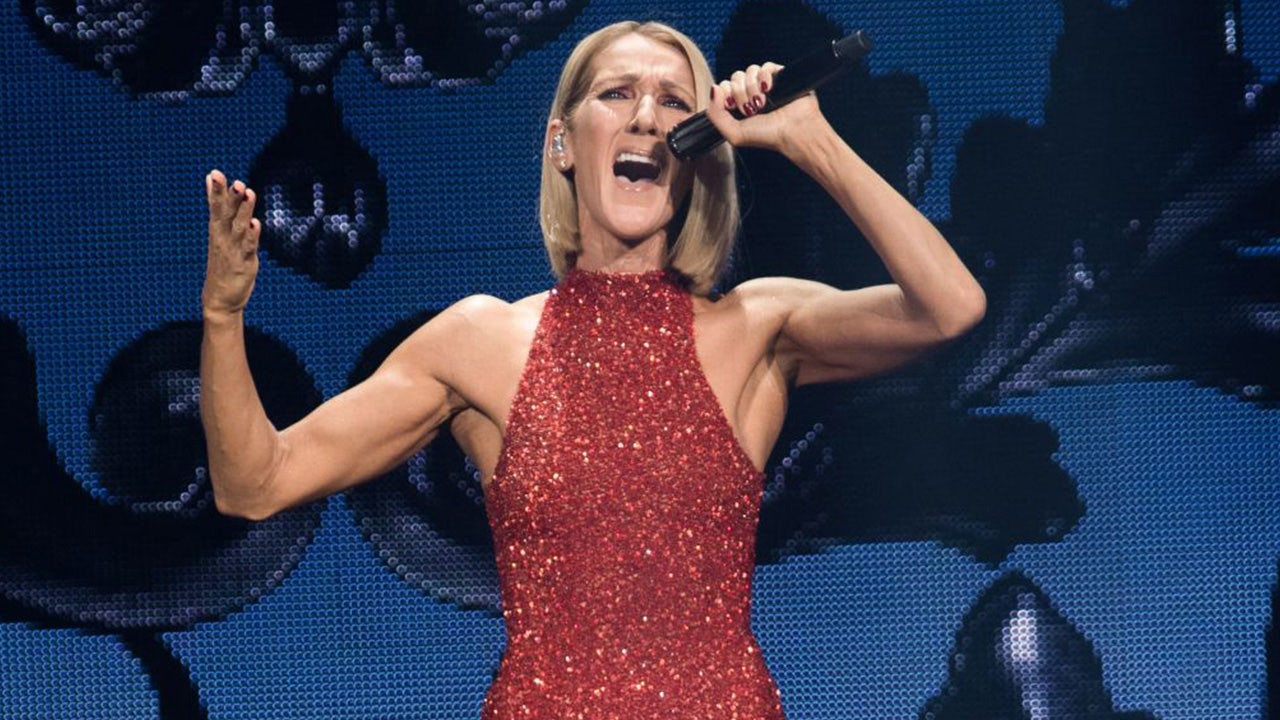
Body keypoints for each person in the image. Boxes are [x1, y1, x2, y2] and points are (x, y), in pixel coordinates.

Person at [200, 20, 985, 720]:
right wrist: (223, 316)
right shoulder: (481, 343)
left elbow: (949, 308)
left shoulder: (757, 328)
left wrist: (808, 138)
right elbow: (255, 483)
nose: (646, 116)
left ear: (697, 147)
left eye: (674, 102)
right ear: (563, 143)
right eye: (617, 93)